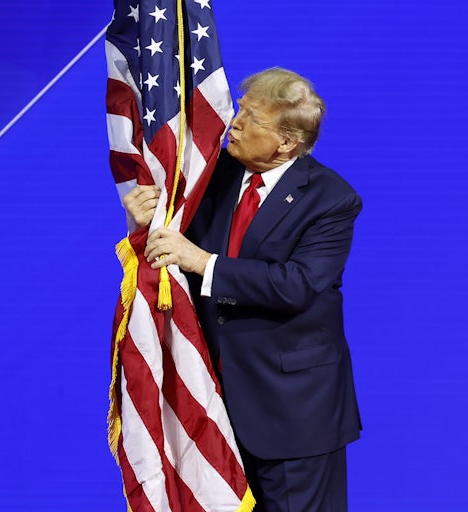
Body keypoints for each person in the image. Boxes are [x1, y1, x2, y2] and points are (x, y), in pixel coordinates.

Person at [123, 67, 362, 512]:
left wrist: (203, 262)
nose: (234, 123)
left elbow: (298, 285)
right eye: (240, 110)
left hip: (292, 415)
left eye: (252, 118)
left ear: (286, 142)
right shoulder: (210, 175)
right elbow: (173, 247)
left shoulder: (331, 200)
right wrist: (148, 220)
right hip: (210, 404)